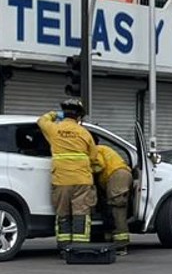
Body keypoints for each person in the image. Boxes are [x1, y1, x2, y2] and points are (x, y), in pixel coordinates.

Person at [38, 98, 98, 257]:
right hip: (81, 180)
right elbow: (93, 156)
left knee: (62, 213)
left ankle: (64, 249)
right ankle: (79, 249)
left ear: (63, 113)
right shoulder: (84, 133)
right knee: (81, 213)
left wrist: (53, 114)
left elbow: (41, 120)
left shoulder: (54, 129)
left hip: (61, 179)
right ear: (79, 117)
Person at [92, 142, 132, 256]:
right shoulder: (103, 149)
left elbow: (99, 166)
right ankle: (111, 240)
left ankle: (121, 245)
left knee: (117, 209)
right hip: (120, 175)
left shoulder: (96, 150)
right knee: (114, 207)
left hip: (117, 175)